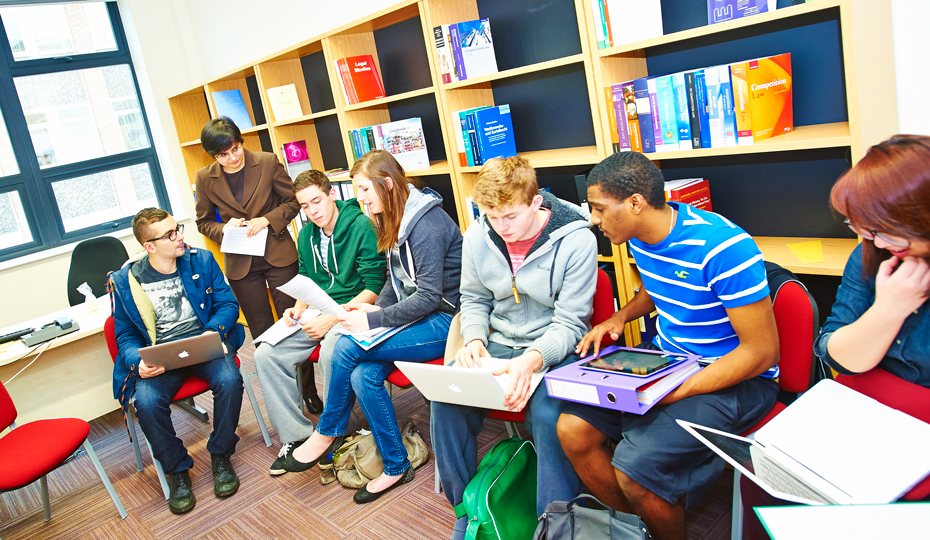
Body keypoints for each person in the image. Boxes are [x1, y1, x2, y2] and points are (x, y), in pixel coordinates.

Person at [556, 151, 780, 540]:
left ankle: (650, 505)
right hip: (669, 360)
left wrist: (673, 391)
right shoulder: (638, 235)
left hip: (736, 376)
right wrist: (620, 316)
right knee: (572, 429)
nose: (593, 219)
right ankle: (643, 523)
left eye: (598, 209)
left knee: (633, 469)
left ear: (636, 203)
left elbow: (761, 353)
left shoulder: (723, 247)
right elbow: (656, 289)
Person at [431, 156, 597, 538]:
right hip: (497, 345)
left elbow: (571, 322)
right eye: (491, 216)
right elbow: (472, 299)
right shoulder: (477, 235)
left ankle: (550, 522)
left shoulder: (577, 239)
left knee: (547, 414)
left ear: (536, 203)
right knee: (445, 400)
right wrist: (474, 338)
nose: (501, 228)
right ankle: (467, 509)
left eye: (510, 217)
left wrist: (533, 359)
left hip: (553, 350)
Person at [290, 149, 463, 503]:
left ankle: (328, 429)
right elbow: (395, 282)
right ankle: (396, 464)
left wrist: (373, 318)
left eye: (364, 190)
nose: (360, 199)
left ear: (386, 184)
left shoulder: (426, 223)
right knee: (362, 375)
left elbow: (430, 297)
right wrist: (371, 304)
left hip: (446, 321)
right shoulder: (393, 215)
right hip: (415, 316)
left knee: (347, 344)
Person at [109, 208, 245, 515]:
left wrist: (212, 333)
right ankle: (177, 470)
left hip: (205, 344)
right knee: (145, 400)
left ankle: (221, 453)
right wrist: (137, 363)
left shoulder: (201, 260)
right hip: (163, 356)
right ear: (150, 246)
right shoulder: (126, 281)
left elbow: (227, 304)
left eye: (178, 228)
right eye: (170, 235)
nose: (180, 236)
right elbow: (126, 336)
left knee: (229, 380)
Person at [253, 170, 386, 476]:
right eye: (304, 206)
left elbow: (375, 286)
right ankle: (296, 435)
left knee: (330, 350)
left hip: (355, 309)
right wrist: (296, 309)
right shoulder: (308, 235)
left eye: (317, 201)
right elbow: (308, 278)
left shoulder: (361, 226)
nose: (313, 211)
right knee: (266, 354)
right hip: (316, 309)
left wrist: (334, 317)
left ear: (332, 195)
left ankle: (340, 429)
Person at [814, 134, 930, 387]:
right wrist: (888, 310)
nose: (878, 243)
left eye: (886, 231)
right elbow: (835, 354)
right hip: (876, 393)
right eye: (867, 230)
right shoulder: (872, 254)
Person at [194, 117, 300, 339]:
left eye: (235, 148)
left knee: (292, 323)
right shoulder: (204, 177)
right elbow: (203, 222)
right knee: (261, 328)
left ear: (241, 141)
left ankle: (301, 374)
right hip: (241, 262)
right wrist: (224, 228)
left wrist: (267, 219)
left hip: (278, 254)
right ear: (213, 155)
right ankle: (270, 373)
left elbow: (292, 202)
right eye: (223, 155)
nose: (233, 157)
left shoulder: (268, 162)